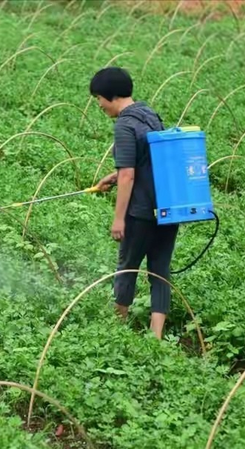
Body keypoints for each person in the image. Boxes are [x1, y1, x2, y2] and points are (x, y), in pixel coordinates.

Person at [90, 66, 180, 340]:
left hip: (140, 212)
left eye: (98, 99)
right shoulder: (149, 114)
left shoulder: (124, 125)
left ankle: (118, 329)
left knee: (127, 266)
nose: (99, 105)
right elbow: (147, 163)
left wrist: (119, 219)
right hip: (168, 207)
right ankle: (156, 336)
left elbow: (130, 174)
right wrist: (114, 176)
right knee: (160, 270)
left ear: (110, 95)